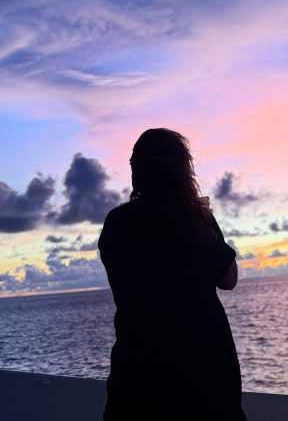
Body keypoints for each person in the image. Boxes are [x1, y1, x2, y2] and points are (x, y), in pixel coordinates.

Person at [98, 128, 245, 421]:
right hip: (203, 380)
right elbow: (228, 279)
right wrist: (204, 220)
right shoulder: (193, 221)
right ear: (183, 170)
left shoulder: (117, 223)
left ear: (136, 170)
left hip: (136, 381)